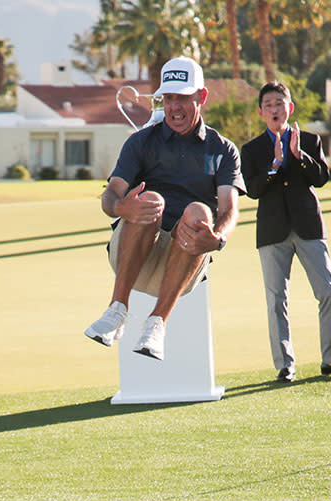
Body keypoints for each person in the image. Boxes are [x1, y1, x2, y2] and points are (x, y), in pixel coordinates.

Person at [85, 56, 244, 360]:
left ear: (202, 97)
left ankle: (156, 324)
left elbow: (228, 209)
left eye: (182, 98)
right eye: (168, 98)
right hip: (134, 256)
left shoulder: (223, 150)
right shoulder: (141, 142)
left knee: (199, 213)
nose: (174, 107)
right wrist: (122, 207)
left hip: (184, 263)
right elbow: (110, 195)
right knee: (151, 201)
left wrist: (218, 238)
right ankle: (117, 310)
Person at [240, 82, 331, 382]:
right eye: (268, 105)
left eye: (279, 103)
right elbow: (252, 190)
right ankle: (285, 365)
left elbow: (322, 177)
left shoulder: (310, 141)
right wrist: (275, 165)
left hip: (308, 227)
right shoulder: (251, 150)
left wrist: (298, 156)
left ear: (289, 108)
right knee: (276, 299)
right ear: (261, 112)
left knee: (328, 291)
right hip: (272, 231)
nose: (274, 109)